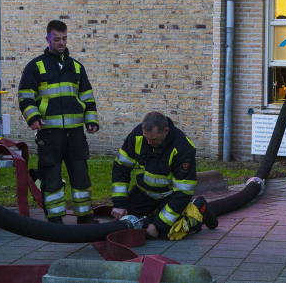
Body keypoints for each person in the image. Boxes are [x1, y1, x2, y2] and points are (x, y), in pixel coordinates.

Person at [18, 20, 99, 224]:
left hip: (75, 133)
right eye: (57, 39)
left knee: (80, 173)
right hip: (50, 132)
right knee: (51, 174)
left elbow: (87, 97)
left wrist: (91, 121)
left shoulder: (77, 67)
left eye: (64, 39)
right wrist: (33, 117)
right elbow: (25, 96)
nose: (61, 43)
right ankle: (55, 218)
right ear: (48, 39)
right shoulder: (36, 66)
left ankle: (84, 215)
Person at [110, 112, 217, 239]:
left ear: (166, 131)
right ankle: (155, 212)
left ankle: (199, 209)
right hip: (144, 192)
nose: (148, 142)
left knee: (169, 232)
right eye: (146, 138)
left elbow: (182, 193)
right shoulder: (138, 135)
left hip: (169, 195)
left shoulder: (182, 147)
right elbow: (121, 167)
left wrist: (159, 225)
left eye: (153, 139)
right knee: (128, 221)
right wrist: (119, 203)